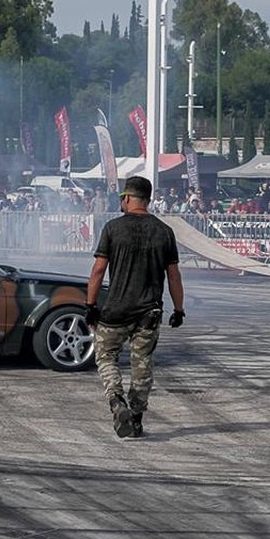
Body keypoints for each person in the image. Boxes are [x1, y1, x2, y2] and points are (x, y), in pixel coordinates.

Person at [85, 175, 185, 439]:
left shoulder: (112, 228)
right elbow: (174, 275)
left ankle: (117, 402)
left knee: (106, 356)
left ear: (127, 198)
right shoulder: (164, 231)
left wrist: (90, 305)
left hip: (116, 310)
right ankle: (137, 419)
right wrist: (179, 309)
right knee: (143, 365)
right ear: (148, 200)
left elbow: (98, 270)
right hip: (149, 312)